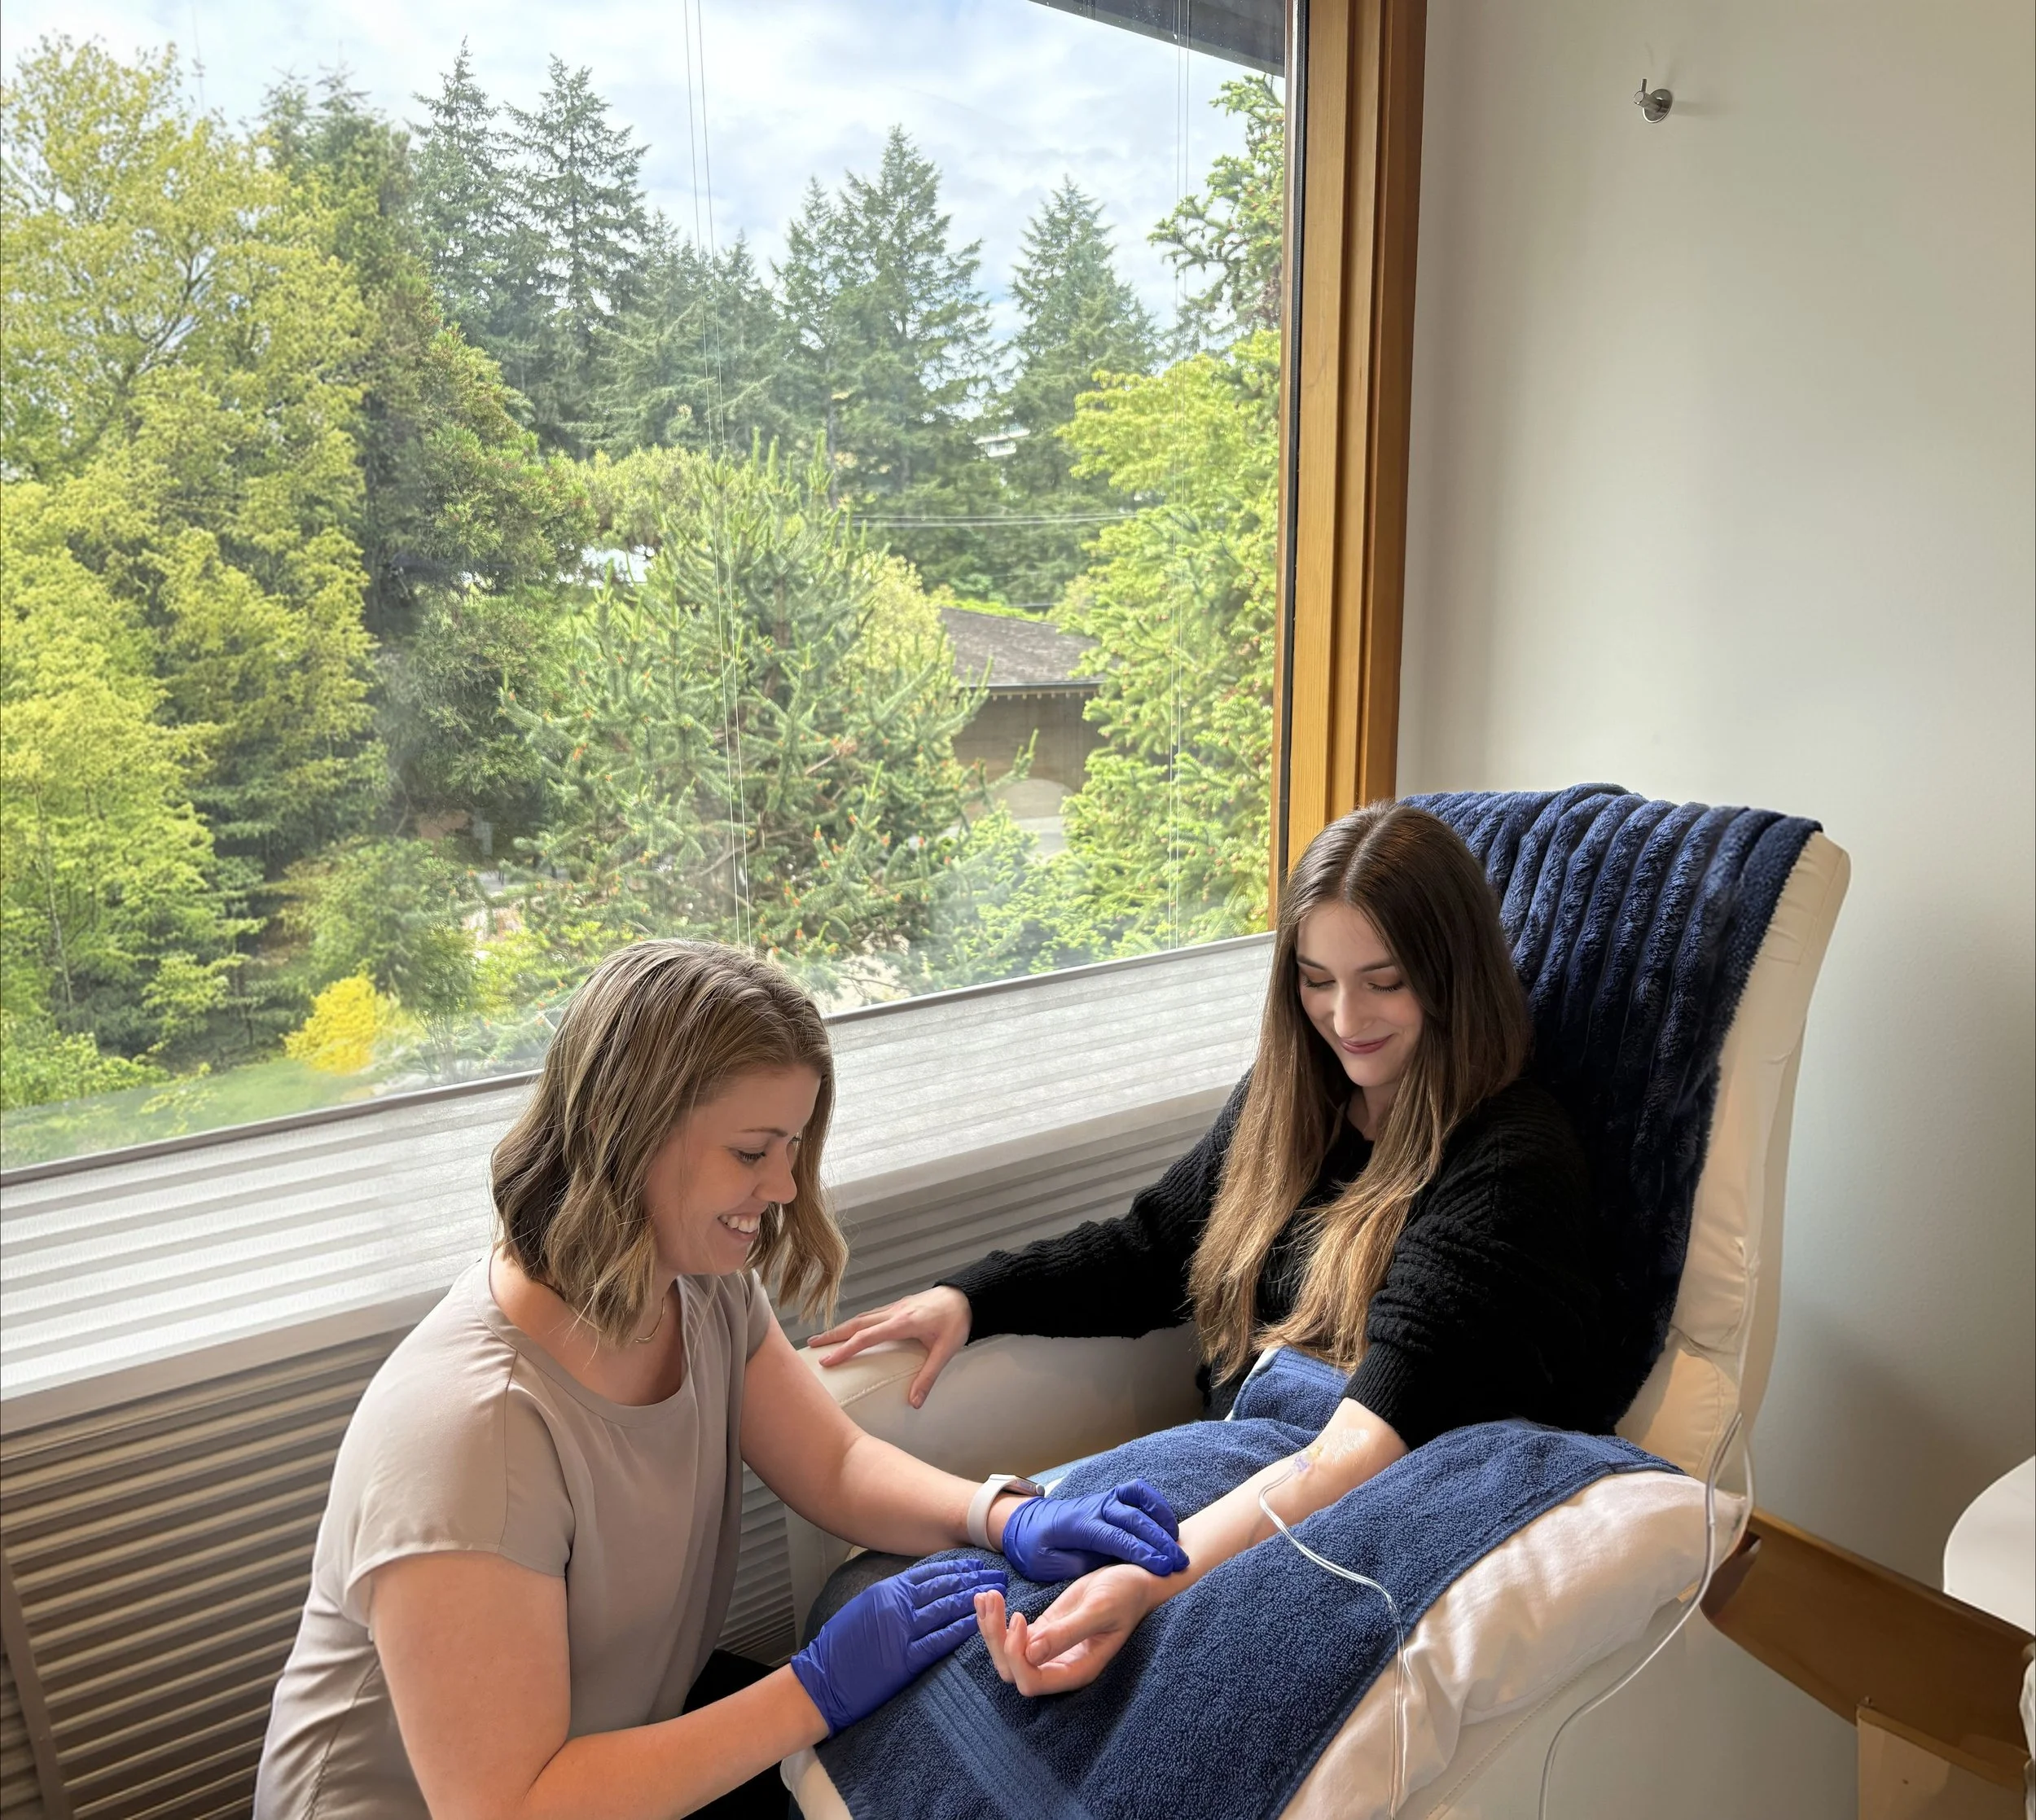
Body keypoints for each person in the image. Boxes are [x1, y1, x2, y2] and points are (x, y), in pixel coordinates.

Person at [254, 941, 1187, 1818]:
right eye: (751, 1152)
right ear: (627, 1135)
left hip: (619, 1742)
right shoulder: (472, 1430)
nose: (783, 1189)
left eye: (792, 1147)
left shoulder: (698, 1286)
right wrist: (812, 1689)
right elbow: (510, 1805)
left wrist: (1000, 1515)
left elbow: (833, 1467)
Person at [807, 802, 1608, 1694]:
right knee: (879, 1601)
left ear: (1453, 976)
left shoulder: (1509, 1165)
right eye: (1316, 980)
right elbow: (1152, 1250)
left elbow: (1362, 1447)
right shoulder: (1292, 1100)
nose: (1344, 1017)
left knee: (992, 1664)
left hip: (1361, 1515)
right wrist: (972, 1297)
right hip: (1231, 1477)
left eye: (1383, 982)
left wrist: (1151, 1578)